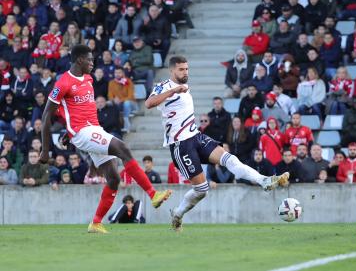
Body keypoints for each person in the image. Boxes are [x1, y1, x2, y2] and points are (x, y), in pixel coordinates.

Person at [144, 56, 289, 231]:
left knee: (230, 159)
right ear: (172, 71)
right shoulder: (164, 87)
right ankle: (177, 214)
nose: (185, 72)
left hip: (196, 136)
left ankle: (264, 181)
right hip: (180, 145)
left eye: (187, 69)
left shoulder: (185, 87)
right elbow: (149, 103)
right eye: (181, 69)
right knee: (202, 190)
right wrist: (172, 92)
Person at [40, 44, 172, 234]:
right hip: (82, 132)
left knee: (113, 178)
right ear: (79, 60)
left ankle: (95, 222)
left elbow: (77, 110)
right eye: (89, 59)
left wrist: (69, 133)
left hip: (92, 129)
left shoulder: (88, 79)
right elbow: (46, 116)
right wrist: (46, 149)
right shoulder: (63, 84)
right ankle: (153, 194)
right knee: (122, 148)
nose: (93, 63)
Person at [108, 67, 137, 133]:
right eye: (116, 73)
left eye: (119, 72)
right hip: (119, 103)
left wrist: (120, 100)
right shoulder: (111, 83)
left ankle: (126, 123)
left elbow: (130, 96)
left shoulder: (128, 81)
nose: (117, 74)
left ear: (123, 73)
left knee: (126, 103)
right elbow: (110, 95)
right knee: (110, 104)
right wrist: (113, 100)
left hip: (131, 103)